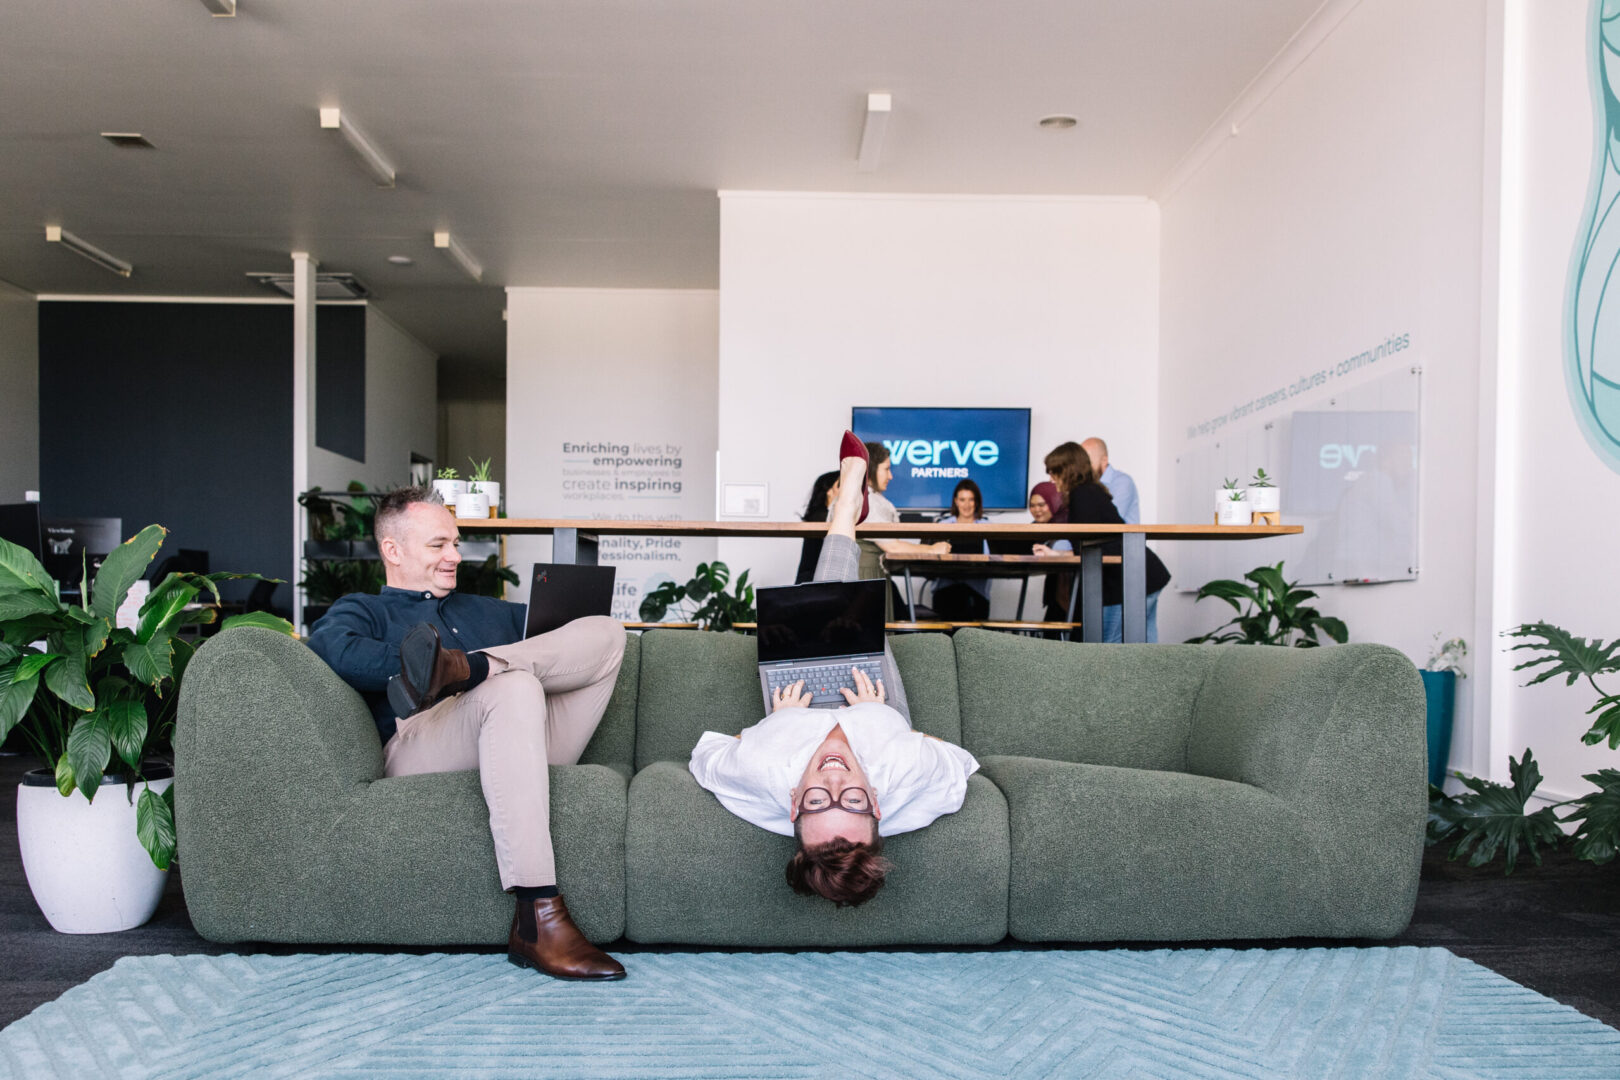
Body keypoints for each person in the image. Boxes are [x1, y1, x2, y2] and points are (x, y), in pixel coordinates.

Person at [306, 486, 628, 981]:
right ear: (393, 550)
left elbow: (576, 641)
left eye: (455, 543)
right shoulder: (366, 609)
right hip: (422, 742)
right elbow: (336, 650)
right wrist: (422, 667)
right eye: (438, 544)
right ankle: (537, 916)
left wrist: (474, 667)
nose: (455, 556)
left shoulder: (486, 610)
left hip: (519, 742)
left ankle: (470, 668)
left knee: (608, 632)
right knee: (513, 684)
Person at [688, 434, 980, 907]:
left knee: (820, 609)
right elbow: (960, 762)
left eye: (818, 801)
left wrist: (773, 725)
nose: (835, 780)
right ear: (877, 805)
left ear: (793, 806)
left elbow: (705, 755)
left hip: (795, 711)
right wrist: (885, 720)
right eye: (855, 801)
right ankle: (847, 505)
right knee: (841, 615)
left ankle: (846, 507)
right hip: (874, 709)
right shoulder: (905, 772)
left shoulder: (762, 771)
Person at [1043, 442, 1170, 642]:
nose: (1051, 479)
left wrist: (1057, 554)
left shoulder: (1082, 495)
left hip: (1126, 580)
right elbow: (1091, 543)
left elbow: (1087, 546)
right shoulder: (1090, 491)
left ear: (1066, 470)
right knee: (1143, 647)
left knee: (1111, 648)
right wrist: (1056, 553)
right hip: (1143, 574)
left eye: (1053, 472)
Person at [928, 478, 991, 621]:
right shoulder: (943, 525)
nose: (966, 505)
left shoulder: (987, 526)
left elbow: (992, 558)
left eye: (971, 500)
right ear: (956, 501)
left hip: (976, 592)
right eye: (962, 500)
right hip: (945, 590)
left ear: (976, 502)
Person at [794, 470, 841, 584]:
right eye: (840, 485)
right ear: (829, 491)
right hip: (813, 581)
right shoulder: (822, 518)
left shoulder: (820, 516)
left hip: (812, 580)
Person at [1081, 437, 1140, 525]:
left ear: (1104, 460)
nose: (1082, 467)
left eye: (1088, 462)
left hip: (1116, 534)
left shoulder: (1122, 482)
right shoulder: (1085, 485)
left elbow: (1108, 521)